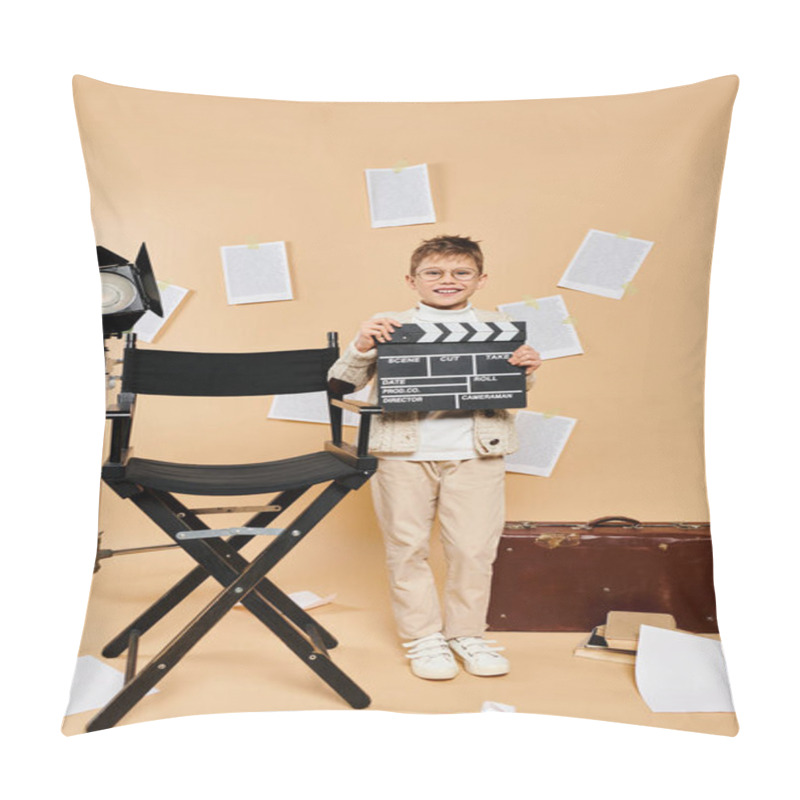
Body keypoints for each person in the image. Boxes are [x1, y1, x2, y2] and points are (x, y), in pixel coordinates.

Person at [328, 235, 541, 680]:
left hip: (477, 451)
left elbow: (507, 391)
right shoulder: (388, 325)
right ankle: (423, 638)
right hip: (402, 452)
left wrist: (527, 367)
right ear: (412, 280)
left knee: (473, 549)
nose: (448, 280)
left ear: (480, 280)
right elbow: (339, 384)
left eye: (461, 272)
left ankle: (467, 634)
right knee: (406, 548)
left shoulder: (498, 324)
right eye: (434, 272)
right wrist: (360, 345)